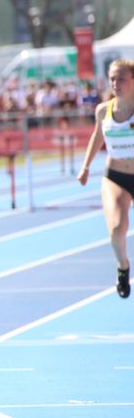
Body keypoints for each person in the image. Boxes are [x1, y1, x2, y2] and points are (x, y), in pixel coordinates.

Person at [77, 58, 134, 299]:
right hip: (115, 176)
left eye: (121, 78)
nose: (115, 83)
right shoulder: (103, 110)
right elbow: (97, 137)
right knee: (116, 228)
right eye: (112, 78)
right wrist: (86, 166)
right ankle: (123, 267)